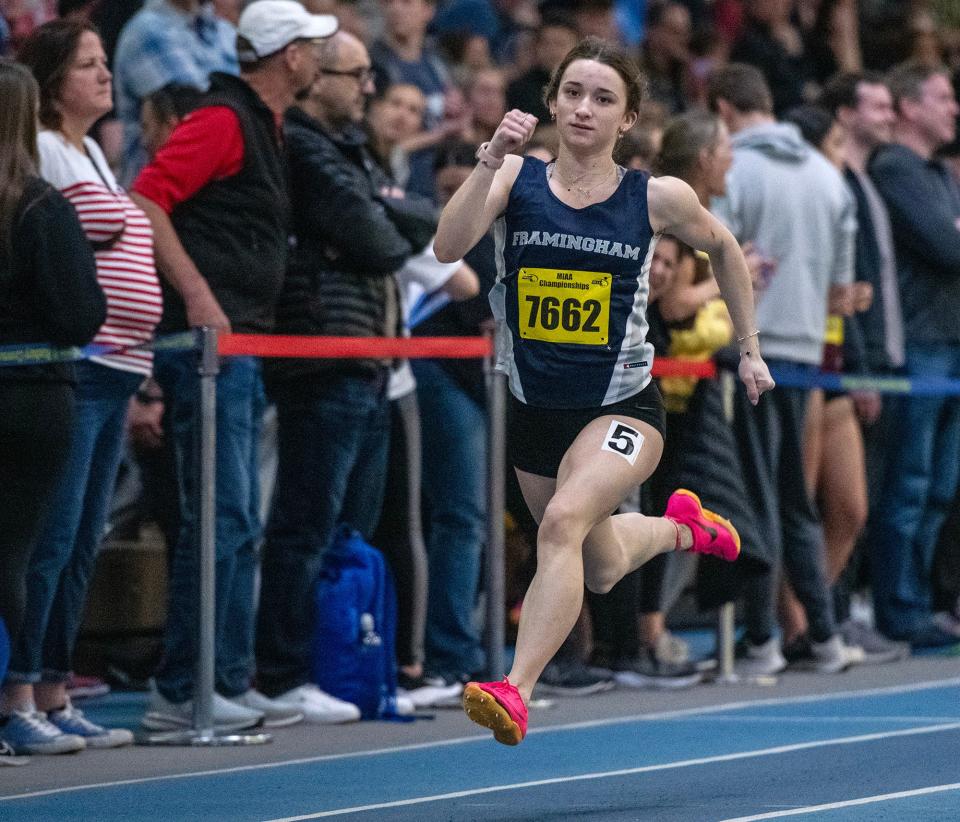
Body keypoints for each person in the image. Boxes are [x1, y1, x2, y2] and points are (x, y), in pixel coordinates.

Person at [433, 37, 774, 746]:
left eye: (604, 98)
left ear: (628, 120)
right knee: (603, 564)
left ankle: (515, 688)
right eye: (573, 93)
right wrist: (490, 156)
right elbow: (446, 245)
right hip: (533, 410)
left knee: (561, 523)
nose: (584, 108)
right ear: (552, 101)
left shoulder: (654, 196)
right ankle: (687, 529)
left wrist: (749, 350)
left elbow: (725, 249)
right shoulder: (513, 179)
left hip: (622, 406)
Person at [131, 0, 337, 732]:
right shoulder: (222, 120)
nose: (318, 56)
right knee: (218, 517)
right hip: (210, 349)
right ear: (288, 57)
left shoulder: (264, 124)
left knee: (237, 519)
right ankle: (182, 688)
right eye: (311, 46)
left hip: (242, 346)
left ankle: (218, 674)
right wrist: (197, 296)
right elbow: (147, 200)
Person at [255, 29, 438, 721]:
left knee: (346, 529)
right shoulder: (300, 143)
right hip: (324, 352)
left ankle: (333, 664)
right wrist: (384, 227)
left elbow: (394, 227)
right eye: (357, 76)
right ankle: (281, 672)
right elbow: (375, 235)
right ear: (314, 76)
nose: (368, 88)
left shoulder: (350, 150)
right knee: (304, 523)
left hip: (366, 354)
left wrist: (384, 226)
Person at [4, 19, 163, 755]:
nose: (106, 76)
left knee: (79, 542)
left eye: (107, 63)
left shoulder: (92, 149)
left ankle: (56, 686)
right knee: (51, 538)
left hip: (117, 366)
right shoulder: (38, 152)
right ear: (50, 77)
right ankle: (23, 688)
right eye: (90, 64)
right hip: (76, 365)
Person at [708, 63, 862, 676]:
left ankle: (762, 638)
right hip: (805, 352)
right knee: (794, 497)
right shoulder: (829, 176)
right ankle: (822, 636)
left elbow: (714, 253)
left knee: (757, 493)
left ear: (722, 109)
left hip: (747, 347)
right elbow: (842, 290)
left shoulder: (734, 168)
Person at [0, 62, 105, 759]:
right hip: (32, 398)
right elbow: (79, 313)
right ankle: (15, 700)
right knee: (20, 551)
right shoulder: (38, 203)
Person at [868, 60, 960, 648]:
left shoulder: (933, 170)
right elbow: (947, 247)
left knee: (941, 484)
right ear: (909, 107)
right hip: (922, 345)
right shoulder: (896, 166)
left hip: (948, 344)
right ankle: (900, 608)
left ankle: (920, 600)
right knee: (910, 481)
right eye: (944, 97)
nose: (954, 107)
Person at [112, 0, 239, 184]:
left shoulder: (223, 30)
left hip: (217, 188)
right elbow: (197, 110)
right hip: (159, 196)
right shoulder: (147, 31)